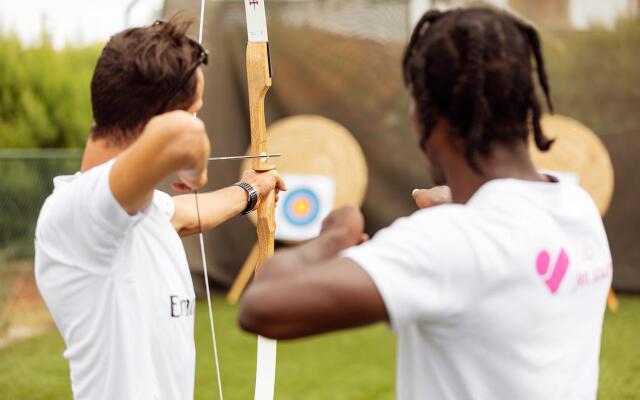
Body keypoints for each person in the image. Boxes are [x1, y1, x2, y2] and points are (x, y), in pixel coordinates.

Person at [238, 7, 612, 400]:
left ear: (427, 118)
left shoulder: (449, 241)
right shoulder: (575, 206)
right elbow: (507, 242)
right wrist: (458, 204)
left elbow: (261, 306)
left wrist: (334, 236)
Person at [34, 19, 285, 400]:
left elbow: (184, 214)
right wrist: (194, 169)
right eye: (194, 112)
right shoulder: (79, 212)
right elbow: (184, 138)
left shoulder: (134, 211)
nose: (196, 122)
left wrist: (252, 189)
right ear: (168, 118)